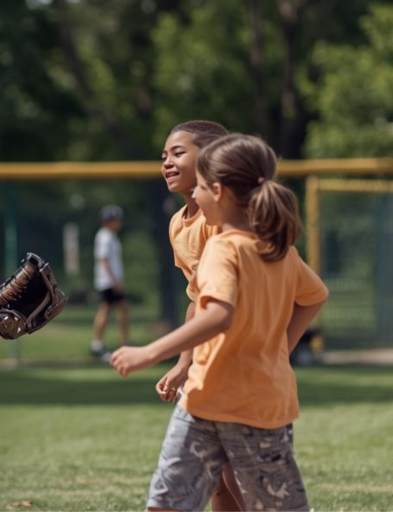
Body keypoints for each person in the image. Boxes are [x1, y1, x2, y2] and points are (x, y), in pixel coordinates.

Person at [110, 134, 329, 512]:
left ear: (218, 191)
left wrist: (150, 352)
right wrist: (281, 349)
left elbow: (217, 314)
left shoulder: (223, 248)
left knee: (168, 504)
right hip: (211, 401)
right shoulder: (278, 247)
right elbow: (315, 296)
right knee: (169, 502)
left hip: (230, 404)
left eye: (199, 187)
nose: (194, 196)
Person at [156, 120, 244, 510]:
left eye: (178, 153)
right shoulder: (179, 224)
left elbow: (225, 301)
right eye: (163, 156)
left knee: (231, 467)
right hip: (205, 358)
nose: (167, 163)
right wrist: (183, 364)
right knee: (214, 473)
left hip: (235, 355)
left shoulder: (220, 221)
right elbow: (197, 299)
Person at [91, 205, 128, 358]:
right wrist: (115, 281)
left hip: (109, 281)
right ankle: (99, 344)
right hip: (107, 282)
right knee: (108, 310)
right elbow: (103, 260)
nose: (119, 222)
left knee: (117, 308)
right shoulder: (105, 236)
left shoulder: (111, 236)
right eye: (116, 220)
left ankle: (121, 342)